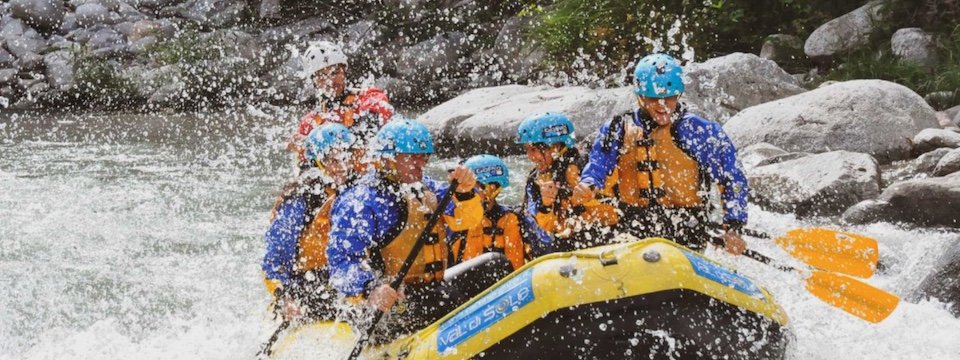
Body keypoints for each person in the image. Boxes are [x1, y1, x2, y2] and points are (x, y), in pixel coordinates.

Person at [571, 53, 748, 254]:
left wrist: (734, 228)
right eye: (654, 99)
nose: (663, 106)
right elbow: (598, 164)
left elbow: (732, 178)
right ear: (640, 97)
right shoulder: (617, 129)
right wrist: (587, 183)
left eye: (670, 98)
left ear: (679, 95)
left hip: (686, 226)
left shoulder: (698, 131)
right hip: (634, 225)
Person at [325, 118, 481, 340]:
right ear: (387, 159)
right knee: (446, 298)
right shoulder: (360, 201)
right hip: (387, 307)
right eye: (412, 157)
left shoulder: (424, 187)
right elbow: (340, 263)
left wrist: (465, 192)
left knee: (495, 264)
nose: (421, 163)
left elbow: (465, 222)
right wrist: (371, 288)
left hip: (430, 289)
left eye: (424, 156)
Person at [262, 123, 360, 321]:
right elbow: (275, 260)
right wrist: (284, 298)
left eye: (345, 158)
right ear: (317, 164)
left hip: (348, 278)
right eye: (332, 161)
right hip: (308, 283)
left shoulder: (360, 192)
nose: (341, 167)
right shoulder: (301, 200)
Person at [517, 112, 619, 252]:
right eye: (527, 150)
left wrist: (589, 198)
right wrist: (546, 205)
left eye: (534, 149)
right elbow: (549, 227)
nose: (531, 156)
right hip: (571, 244)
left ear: (556, 147)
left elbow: (615, 212)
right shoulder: (535, 180)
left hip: (608, 238)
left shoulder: (590, 167)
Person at [289, 40, 395, 168]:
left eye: (335, 72)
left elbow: (376, 124)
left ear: (345, 72)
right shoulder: (310, 123)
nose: (331, 80)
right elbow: (304, 169)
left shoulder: (370, 96)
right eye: (322, 76)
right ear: (314, 82)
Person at [449, 154, 527, 271]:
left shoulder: (510, 219)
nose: (466, 193)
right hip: (459, 285)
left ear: (493, 188)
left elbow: (516, 269)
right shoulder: (454, 216)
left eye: (472, 188)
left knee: (495, 259)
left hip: (499, 285)